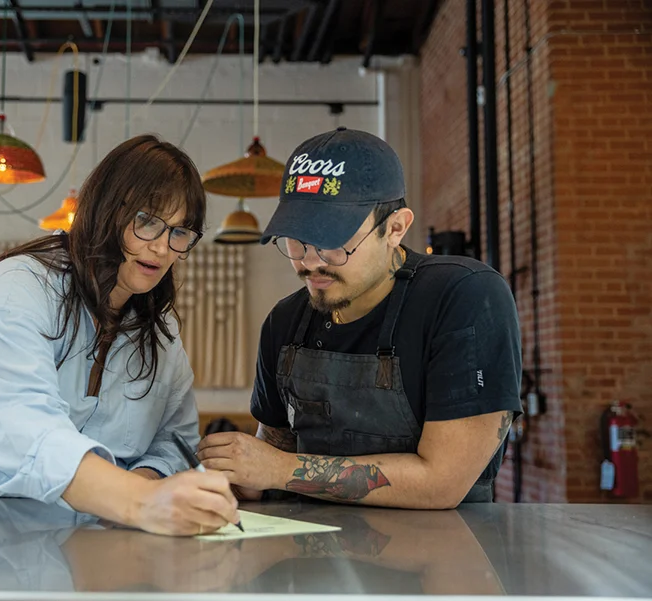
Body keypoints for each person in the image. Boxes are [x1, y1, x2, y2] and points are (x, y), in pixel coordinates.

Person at [0, 135, 240, 536]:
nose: (163, 248)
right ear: (103, 211)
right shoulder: (18, 288)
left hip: (79, 551)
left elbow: (173, 439)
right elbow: (18, 430)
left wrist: (149, 483)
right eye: (147, 221)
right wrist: (140, 500)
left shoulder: (160, 333)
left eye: (179, 232)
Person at [198, 127, 522, 508]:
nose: (311, 262)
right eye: (297, 240)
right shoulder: (285, 322)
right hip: (308, 554)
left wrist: (280, 470)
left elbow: (442, 483)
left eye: (333, 241)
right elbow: (272, 456)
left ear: (395, 228)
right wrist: (240, 478)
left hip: (442, 554)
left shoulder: (464, 298)